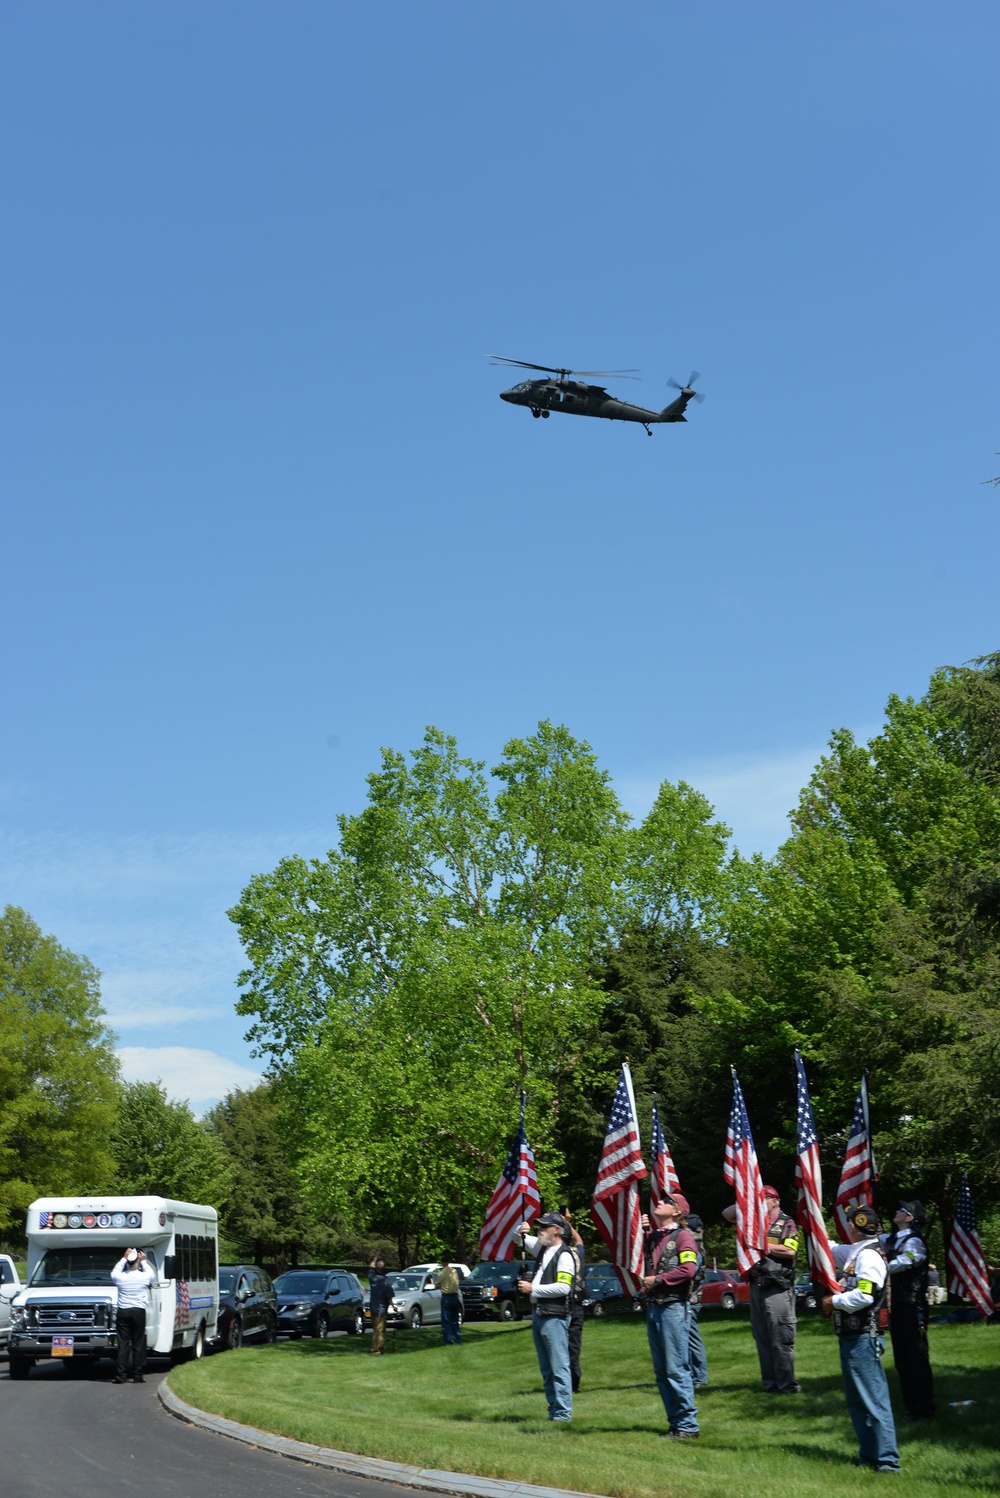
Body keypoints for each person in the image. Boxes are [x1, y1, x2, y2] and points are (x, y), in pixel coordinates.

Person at [823, 1204, 901, 1474]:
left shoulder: (869, 1257)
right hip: (851, 1336)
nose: (846, 1226)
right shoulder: (856, 1251)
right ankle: (869, 1455)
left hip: (864, 1337)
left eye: (848, 1221)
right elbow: (828, 1249)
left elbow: (865, 1296)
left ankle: (888, 1461)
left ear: (854, 1226)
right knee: (857, 1402)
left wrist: (834, 1301)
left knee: (874, 1401)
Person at [724, 1185, 800, 1393]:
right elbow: (728, 1214)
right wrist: (746, 1201)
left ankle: (787, 1384)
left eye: (763, 1198)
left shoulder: (787, 1222)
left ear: (775, 1200)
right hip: (757, 1285)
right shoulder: (753, 1223)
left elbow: (789, 1250)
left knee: (781, 1338)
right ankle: (771, 1384)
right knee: (762, 1338)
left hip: (777, 1287)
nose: (760, 1203)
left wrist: (762, 1244)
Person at [640, 1191, 700, 1439]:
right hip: (655, 1306)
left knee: (676, 1368)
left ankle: (688, 1425)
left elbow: (688, 1269)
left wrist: (659, 1279)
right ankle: (675, 1423)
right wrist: (642, 1233)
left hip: (674, 1307)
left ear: (677, 1211)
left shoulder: (683, 1236)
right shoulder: (654, 1237)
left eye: (666, 1201)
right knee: (662, 1370)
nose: (660, 1202)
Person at [516, 1212, 577, 1423]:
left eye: (544, 1226)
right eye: (538, 1226)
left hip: (555, 1316)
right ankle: (554, 1410)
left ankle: (562, 1414)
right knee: (546, 1368)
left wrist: (534, 1288)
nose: (539, 1230)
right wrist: (521, 1229)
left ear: (556, 1230)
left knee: (559, 1366)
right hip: (540, 1314)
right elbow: (518, 1238)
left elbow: (563, 1287)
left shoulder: (565, 1255)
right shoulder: (543, 1248)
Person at [881, 1200, 934, 1420]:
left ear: (909, 1217)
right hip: (896, 1306)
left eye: (900, 1210)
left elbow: (907, 1261)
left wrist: (880, 1265)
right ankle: (910, 1406)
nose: (895, 1211)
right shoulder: (890, 1239)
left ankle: (925, 1409)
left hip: (913, 1305)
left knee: (917, 1357)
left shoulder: (915, 1242)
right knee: (902, 1359)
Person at [110, 1247, 156, 1383]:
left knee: (123, 1344)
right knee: (138, 1344)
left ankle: (121, 1375)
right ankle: (138, 1375)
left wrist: (124, 1257)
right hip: (138, 1312)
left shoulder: (120, 1277)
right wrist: (144, 1261)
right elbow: (150, 1273)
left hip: (123, 1312)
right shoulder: (145, 1277)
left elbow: (115, 1270)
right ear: (138, 1262)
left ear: (127, 1263)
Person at [561, 1208, 586, 1393]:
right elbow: (579, 1240)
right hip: (577, 1305)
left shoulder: (558, 1254)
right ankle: (574, 1382)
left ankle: (566, 1382)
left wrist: (564, 1222)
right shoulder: (577, 1253)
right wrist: (568, 1222)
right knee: (573, 1347)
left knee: (562, 1346)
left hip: (563, 1304)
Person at [685, 1213, 709, 1389]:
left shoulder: (694, 1247)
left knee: (692, 1339)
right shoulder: (696, 1245)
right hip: (691, 1299)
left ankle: (700, 1376)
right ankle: (693, 1374)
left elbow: (689, 1272)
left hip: (691, 1300)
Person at [434, 1257, 463, 1345]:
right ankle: (457, 1338)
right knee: (455, 1320)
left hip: (446, 1297)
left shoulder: (441, 1273)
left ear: (442, 1263)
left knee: (446, 1320)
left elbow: (437, 1285)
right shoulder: (454, 1272)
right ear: (449, 1262)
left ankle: (449, 1341)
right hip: (455, 1296)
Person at [368, 1258, 393, 1355]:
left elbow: (371, 1266)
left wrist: (375, 1257)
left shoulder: (372, 1278)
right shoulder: (386, 1280)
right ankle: (377, 1349)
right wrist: (393, 1306)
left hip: (373, 1307)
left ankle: (378, 1348)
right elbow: (389, 1296)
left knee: (376, 1329)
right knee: (380, 1331)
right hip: (381, 1309)